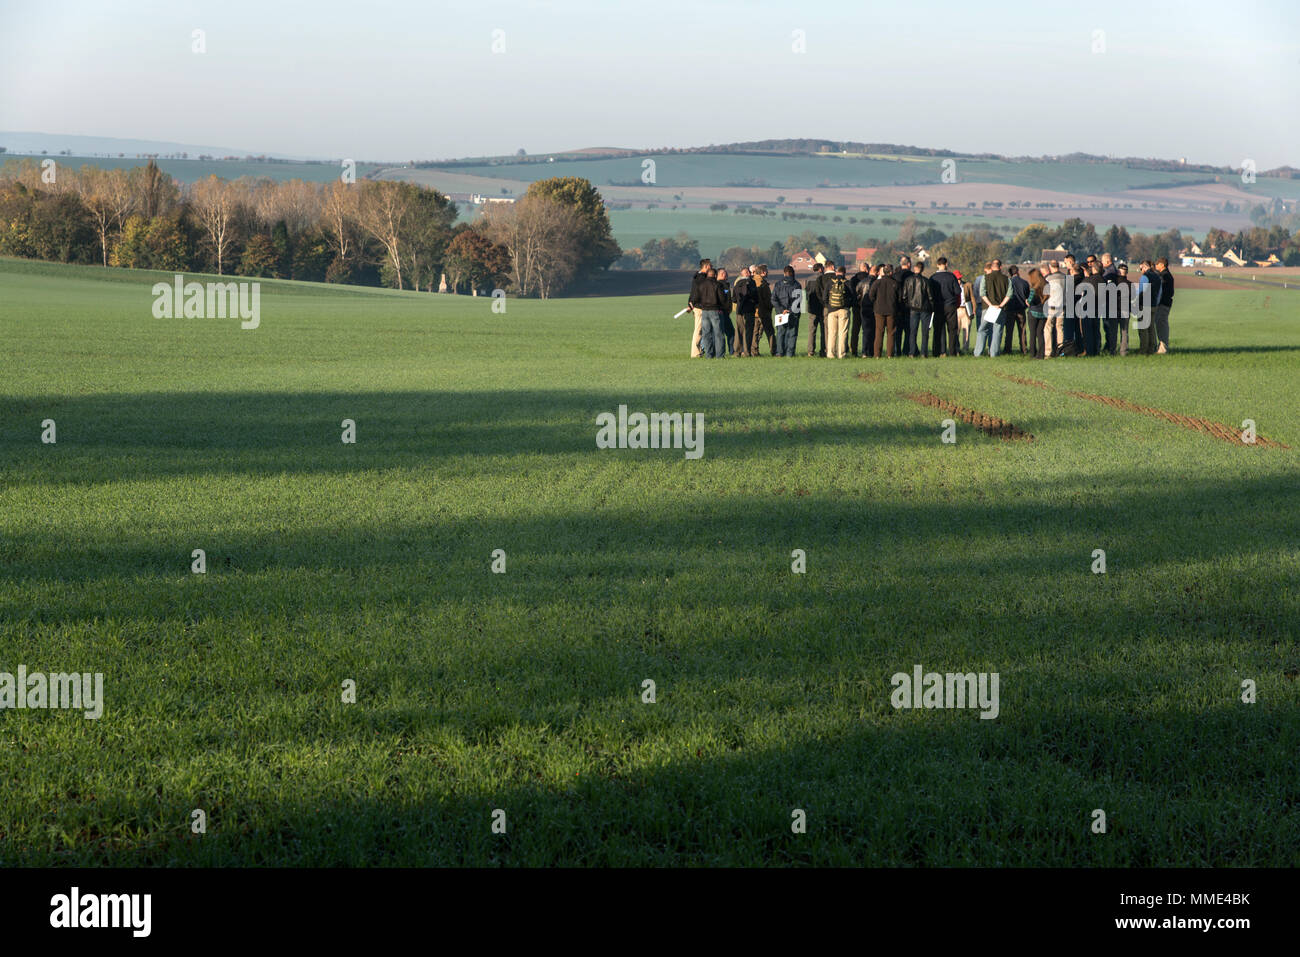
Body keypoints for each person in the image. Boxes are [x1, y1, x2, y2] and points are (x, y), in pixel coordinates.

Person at [974, 261, 1008, 357]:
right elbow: (1009, 295)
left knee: (982, 329)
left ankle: (978, 352)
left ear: (991, 268)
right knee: (997, 330)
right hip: (1000, 308)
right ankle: (994, 353)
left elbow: (982, 293)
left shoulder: (984, 278)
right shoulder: (1006, 279)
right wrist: (1001, 304)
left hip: (986, 307)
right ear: (1000, 267)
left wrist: (990, 304)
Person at [930, 257, 961, 357]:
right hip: (950, 305)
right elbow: (957, 291)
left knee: (938, 330)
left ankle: (937, 352)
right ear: (946, 264)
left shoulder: (933, 278)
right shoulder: (951, 277)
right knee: (952, 330)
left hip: (938, 306)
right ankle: (952, 352)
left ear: (937, 265)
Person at [694, 266, 728, 357]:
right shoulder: (718, 285)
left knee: (706, 333)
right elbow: (722, 299)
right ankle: (720, 355)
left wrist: (702, 306)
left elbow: (696, 298)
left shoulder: (701, 285)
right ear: (715, 275)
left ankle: (709, 354)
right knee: (719, 333)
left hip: (704, 311)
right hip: (715, 310)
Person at [903, 261, 934, 357]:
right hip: (925, 309)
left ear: (915, 268)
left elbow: (904, 296)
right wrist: (932, 307)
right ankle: (923, 353)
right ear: (922, 269)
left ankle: (912, 352)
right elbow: (930, 297)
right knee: (925, 332)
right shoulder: (926, 281)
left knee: (913, 331)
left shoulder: (908, 280)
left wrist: (908, 305)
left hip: (913, 309)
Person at [772, 264, 802, 357]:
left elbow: (773, 299)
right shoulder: (797, 285)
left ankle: (780, 352)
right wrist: (789, 310)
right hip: (793, 313)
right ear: (793, 273)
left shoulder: (778, 284)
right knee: (792, 333)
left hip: (780, 313)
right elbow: (798, 301)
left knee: (780, 332)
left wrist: (782, 310)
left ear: (784, 273)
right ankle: (790, 353)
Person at [869, 264, 899, 358]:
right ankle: (890, 354)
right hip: (891, 310)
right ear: (891, 272)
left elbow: (871, 295)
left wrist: (875, 303)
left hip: (879, 310)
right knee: (891, 332)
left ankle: (877, 354)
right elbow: (899, 298)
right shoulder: (895, 283)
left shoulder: (877, 283)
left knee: (879, 332)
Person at [824, 265, 853, 358]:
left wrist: (828, 306)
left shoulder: (829, 283)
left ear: (836, 272)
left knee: (832, 333)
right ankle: (841, 354)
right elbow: (853, 297)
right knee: (843, 332)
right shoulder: (848, 283)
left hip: (831, 311)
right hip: (844, 310)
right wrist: (848, 306)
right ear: (844, 273)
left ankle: (830, 354)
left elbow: (824, 297)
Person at [686, 258, 712, 357]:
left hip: (696, 306)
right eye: (710, 266)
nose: (712, 267)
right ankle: (695, 353)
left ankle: (700, 351)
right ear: (706, 266)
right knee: (698, 330)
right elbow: (697, 293)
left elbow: (692, 292)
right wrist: (693, 303)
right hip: (700, 307)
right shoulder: (701, 279)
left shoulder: (697, 277)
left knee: (701, 330)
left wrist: (690, 303)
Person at [1002, 264, 1029, 355]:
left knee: (1009, 331)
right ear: (1018, 272)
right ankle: (1024, 349)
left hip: (1009, 309)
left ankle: (1007, 349)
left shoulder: (1007, 282)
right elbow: (1027, 296)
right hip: (1021, 309)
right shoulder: (1025, 283)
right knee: (1022, 330)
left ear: (1010, 273)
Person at [732, 266, 758, 357]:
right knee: (748, 331)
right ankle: (746, 352)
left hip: (739, 311)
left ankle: (736, 352)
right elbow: (755, 296)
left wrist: (739, 303)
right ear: (746, 274)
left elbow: (734, 298)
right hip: (749, 310)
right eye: (747, 272)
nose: (749, 273)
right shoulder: (751, 282)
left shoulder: (737, 283)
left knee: (739, 331)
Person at [1044, 260, 1067, 358]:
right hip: (1062, 306)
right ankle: (1060, 351)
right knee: (1060, 328)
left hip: (1051, 307)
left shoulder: (1048, 279)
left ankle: (1048, 352)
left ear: (1050, 267)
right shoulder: (1065, 278)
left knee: (1048, 328)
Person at [1137, 260, 1160, 355]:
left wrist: (1136, 302)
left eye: (1141, 268)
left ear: (1145, 267)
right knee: (1151, 328)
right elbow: (1159, 293)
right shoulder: (1157, 277)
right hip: (1154, 305)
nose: (1141, 270)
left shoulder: (1145, 277)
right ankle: (1152, 348)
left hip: (1144, 305)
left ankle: (1143, 350)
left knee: (1143, 329)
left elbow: (1140, 291)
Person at [1080, 262, 1103, 357]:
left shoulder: (1090, 280)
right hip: (1098, 308)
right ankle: (1096, 350)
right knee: (1096, 330)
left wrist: (1086, 276)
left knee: (1087, 331)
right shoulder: (1103, 280)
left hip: (1088, 308)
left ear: (1094, 269)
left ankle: (1089, 351)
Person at [1153, 257, 1174, 353]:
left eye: (1157, 264)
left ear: (1162, 265)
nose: (1156, 266)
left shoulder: (1164, 276)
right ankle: (1161, 347)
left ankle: (1163, 349)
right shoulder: (1167, 275)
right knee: (1161, 325)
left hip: (1163, 304)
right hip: (1165, 303)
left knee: (1162, 326)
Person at [849, 262, 871, 357]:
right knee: (866, 329)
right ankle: (866, 350)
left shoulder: (853, 279)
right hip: (867, 307)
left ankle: (854, 350)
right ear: (866, 269)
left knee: (855, 329)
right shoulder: (870, 279)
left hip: (856, 307)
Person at [1026, 267, 1048, 359]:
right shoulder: (1047, 285)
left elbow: (1030, 301)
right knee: (1040, 333)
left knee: (1033, 334)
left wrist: (1027, 301)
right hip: (1044, 313)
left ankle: (1032, 354)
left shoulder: (1033, 289)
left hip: (1033, 312)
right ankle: (1041, 354)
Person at [805, 262, 826, 357]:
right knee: (824, 330)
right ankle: (823, 350)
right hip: (822, 307)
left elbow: (807, 294)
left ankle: (811, 351)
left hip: (812, 308)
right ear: (821, 269)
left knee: (812, 331)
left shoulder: (808, 279)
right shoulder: (824, 279)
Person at [753, 265, 775, 356]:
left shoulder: (752, 281)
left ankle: (754, 351)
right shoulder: (761, 283)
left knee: (755, 333)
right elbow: (765, 298)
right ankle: (774, 350)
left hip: (754, 312)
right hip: (763, 311)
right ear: (763, 272)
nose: (767, 272)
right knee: (770, 332)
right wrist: (770, 306)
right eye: (766, 271)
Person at [716, 267, 734, 357]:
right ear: (717, 275)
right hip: (721, 312)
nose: (725, 275)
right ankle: (721, 352)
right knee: (723, 333)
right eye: (722, 273)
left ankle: (732, 351)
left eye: (726, 273)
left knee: (730, 332)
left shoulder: (726, 284)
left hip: (726, 312)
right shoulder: (719, 285)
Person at [1116, 263, 1132, 356]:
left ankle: (1112, 349)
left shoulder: (1114, 283)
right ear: (1127, 273)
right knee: (1124, 331)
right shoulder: (1130, 284)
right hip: (1125, 309)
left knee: (1113, 331)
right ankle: (1123, 351)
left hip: (1114, 309)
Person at [957, 273, 974, 354]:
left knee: (966, 330)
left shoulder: (967, 285)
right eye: (957, 279)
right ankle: (956, 348)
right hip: (956, 310)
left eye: (959, 279)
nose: (959, 281)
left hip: (965, 310)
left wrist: (973, 309)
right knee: (956, 330)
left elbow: (972, 297)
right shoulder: (952, 287)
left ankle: (965, 349)